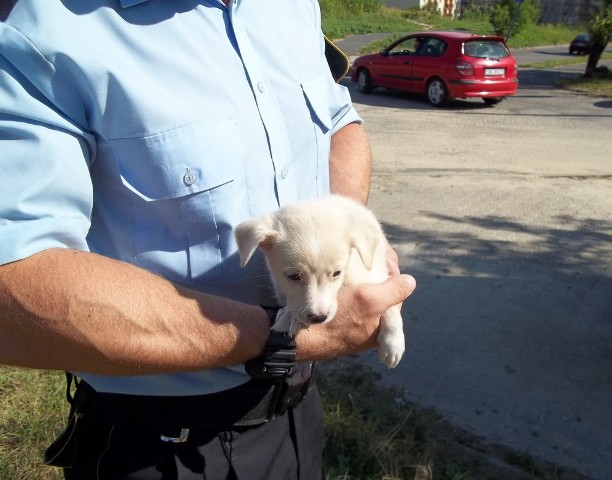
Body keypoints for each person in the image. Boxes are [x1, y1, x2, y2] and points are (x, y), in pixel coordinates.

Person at [0, 1, 416, 479]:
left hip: (297, 413)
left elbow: (340, 121)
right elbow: (13, 280)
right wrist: (275, 337)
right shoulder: (49, 30)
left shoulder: (292, 7)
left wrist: (345, 245)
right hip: (159, 441)